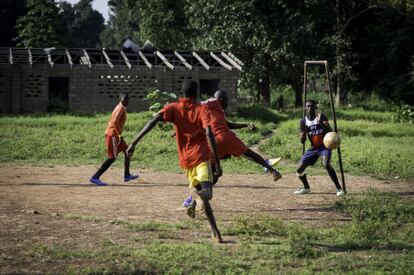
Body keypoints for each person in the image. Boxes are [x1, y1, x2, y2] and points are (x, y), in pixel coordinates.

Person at [126, 80, 224, 243]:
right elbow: (209, 133)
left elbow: (153, 121)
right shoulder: (202, 109)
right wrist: (218, 164)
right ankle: (211, 224)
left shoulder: (173, 108)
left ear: (182, 93)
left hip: (186, 161)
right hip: (201, 156)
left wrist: (133, 143)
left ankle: (214, 230)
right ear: (197, 93)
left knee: (201, 193)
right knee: (207, 193)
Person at [202, 90, 282, 182]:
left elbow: (229, 124)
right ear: (221, 99)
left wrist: (245, 125)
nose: (227, 103)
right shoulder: (214, 102)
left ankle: (204, 190)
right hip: (224, 137)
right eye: (227, 100)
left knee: (215, 172)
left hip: (212, 144)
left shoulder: (215, 112)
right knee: (248, 153)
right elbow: (204, 103)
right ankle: (272, 170)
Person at [294, 100, 345, 196]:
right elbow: (302, 141)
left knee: (326, 164)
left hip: (324, 147)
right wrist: (304, 132)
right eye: (308, 107)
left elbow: (330, 131)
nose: (310, 108)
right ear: (305, 108)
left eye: (312, 107)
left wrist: (320, 122)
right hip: (313, 148)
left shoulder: (321, 117)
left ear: (315, 108)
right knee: (299, 170)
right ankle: (306, 187)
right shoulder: (303, 122)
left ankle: (339, 189)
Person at [89, 93, 139, 186]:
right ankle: (95, 177)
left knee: (127, 151)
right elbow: (115, 121)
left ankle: (127, 175)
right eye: (125, 99)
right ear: (120, 99)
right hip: (112, 135)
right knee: (112, 157)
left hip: (115, 135)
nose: (127, 100)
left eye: (128, 99)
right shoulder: (120, 108)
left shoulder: (121, 107)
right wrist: (120, 135)